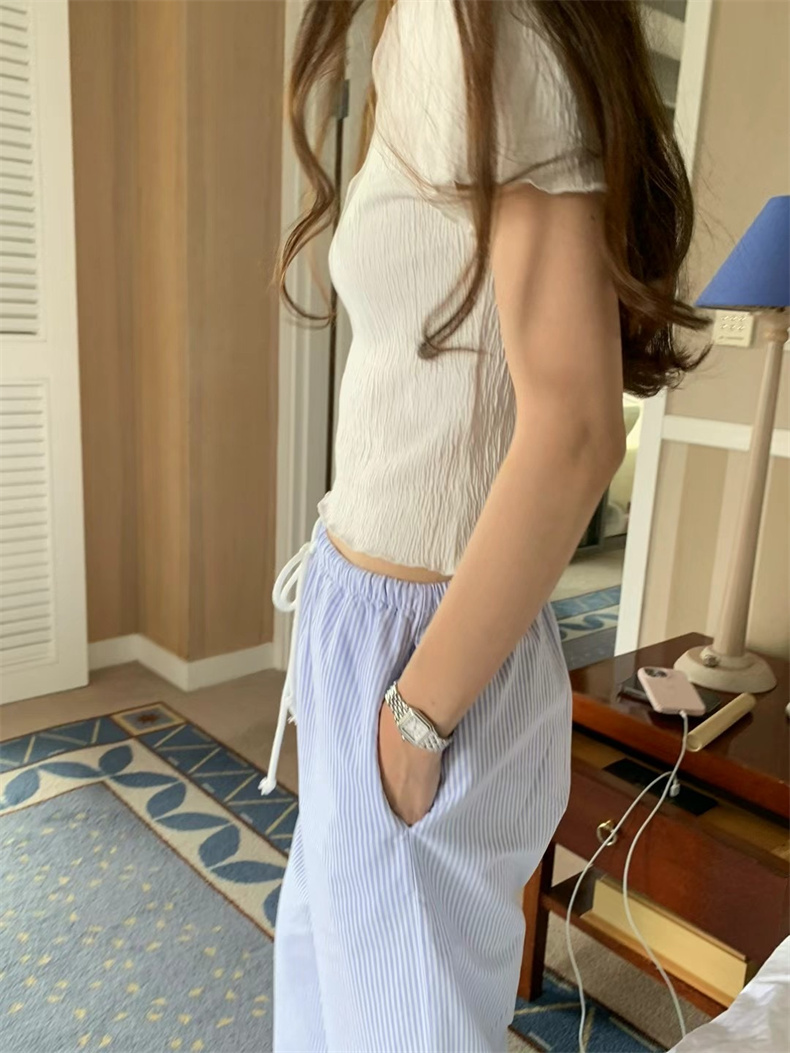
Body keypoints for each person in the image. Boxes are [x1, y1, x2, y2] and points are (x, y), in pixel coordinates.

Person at [264, 1, 705, 1050]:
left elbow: (577, 432)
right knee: (329, 1000)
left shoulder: (483, 22)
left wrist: (415, 719)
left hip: (423, 651)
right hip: (362, 621)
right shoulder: (429, 26)